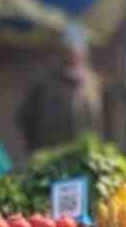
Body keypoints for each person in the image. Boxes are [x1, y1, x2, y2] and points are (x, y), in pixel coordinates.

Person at [17, 23, 104, 152]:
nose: (73, 54)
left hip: (86, 157)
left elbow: (102, 122)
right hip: (51, 156)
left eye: (77, 49)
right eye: (68, 49)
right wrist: (35, 149)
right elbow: (24, 117)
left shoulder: (93, 82)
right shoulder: (44, 82)